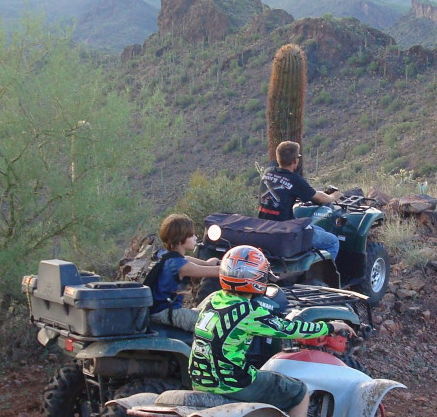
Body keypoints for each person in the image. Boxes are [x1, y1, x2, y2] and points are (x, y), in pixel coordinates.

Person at [189, 245, 355, 417]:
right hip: (231, 383)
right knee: (299, 392)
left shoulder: (214, 300)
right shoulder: (249, 311)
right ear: (258, 278)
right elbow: (288, 329)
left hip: (199, 379)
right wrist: (329, 327)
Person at [258, 141, 342, 260]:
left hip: (265, 226)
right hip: (286, 231)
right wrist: (334, 196)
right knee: (332, 241)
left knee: (319, 230)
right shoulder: (294, 180)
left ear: (278, 158)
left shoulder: (268, 172)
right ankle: (323, 275)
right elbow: (318, 198)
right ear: (295, 160)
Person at [148, 214, 220, 331]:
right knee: (216, 325)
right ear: (181, 239)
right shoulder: (181, 266)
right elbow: (216, 272)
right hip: (167, 313)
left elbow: (206, 264)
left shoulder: (171, 258)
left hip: (162, 310)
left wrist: (212, 262)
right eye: (191, 236)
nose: (196, 238)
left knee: (215, 297)